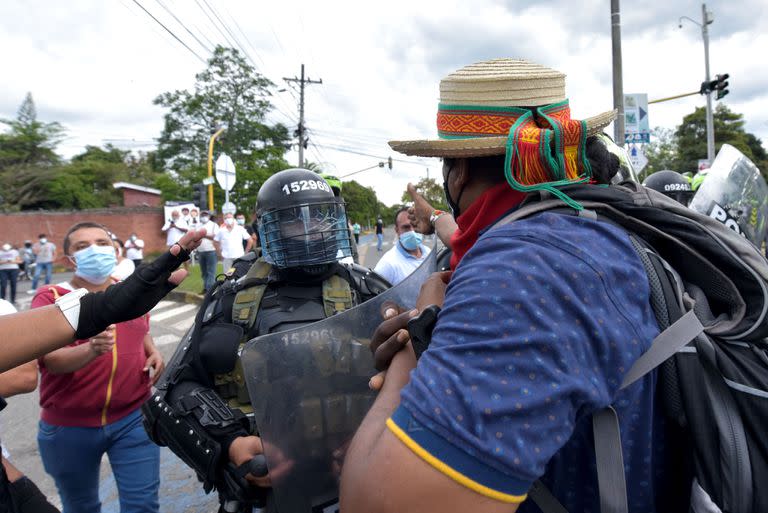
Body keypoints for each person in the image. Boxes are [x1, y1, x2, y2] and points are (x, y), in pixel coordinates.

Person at [341, 58, 668, 513]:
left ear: (458, 171)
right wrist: (435, 220)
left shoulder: (522, 271)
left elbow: (373, 504)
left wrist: (413, 341)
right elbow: (463, 235)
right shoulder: (589, 225)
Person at [143, 168, 390, 513]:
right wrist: (231, 446)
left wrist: (379, 437)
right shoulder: (232, 297)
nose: (308, 230)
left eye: (319, 218)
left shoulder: (367, 290)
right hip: (265, 493)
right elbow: (172, 394)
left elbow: (419, 378)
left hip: (360, 479)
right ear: (268, 227)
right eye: (293, 220)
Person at [31, 222, 166, 513]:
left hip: (134, 417)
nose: (95, 250)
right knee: (81, 507)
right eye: (82, 246)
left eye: (102, 242)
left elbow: (141, 326)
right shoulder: (50, 298)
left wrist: (151, 349)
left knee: (143, 505)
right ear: (69, 259)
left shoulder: (129, 289)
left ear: (115, 250)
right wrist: (90, 350)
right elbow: (51, 360)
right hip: (69, 428)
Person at [374, 208, 431, 285]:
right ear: (397, 230)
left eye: (415, 225)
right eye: (406, 227)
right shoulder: (387, 265)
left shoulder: (429, 253)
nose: (412, 231)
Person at [197, 211, 219, 294]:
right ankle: (206, 288)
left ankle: (210, 290)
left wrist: (203, 235)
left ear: (209, 216)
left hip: (211, 250)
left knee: (211, 272)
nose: (204, 216)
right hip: (200, 251)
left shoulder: (214, 225)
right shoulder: (198, 225)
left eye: (205, 215)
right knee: (204, 272)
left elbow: (216, 237)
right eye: (202, 215)